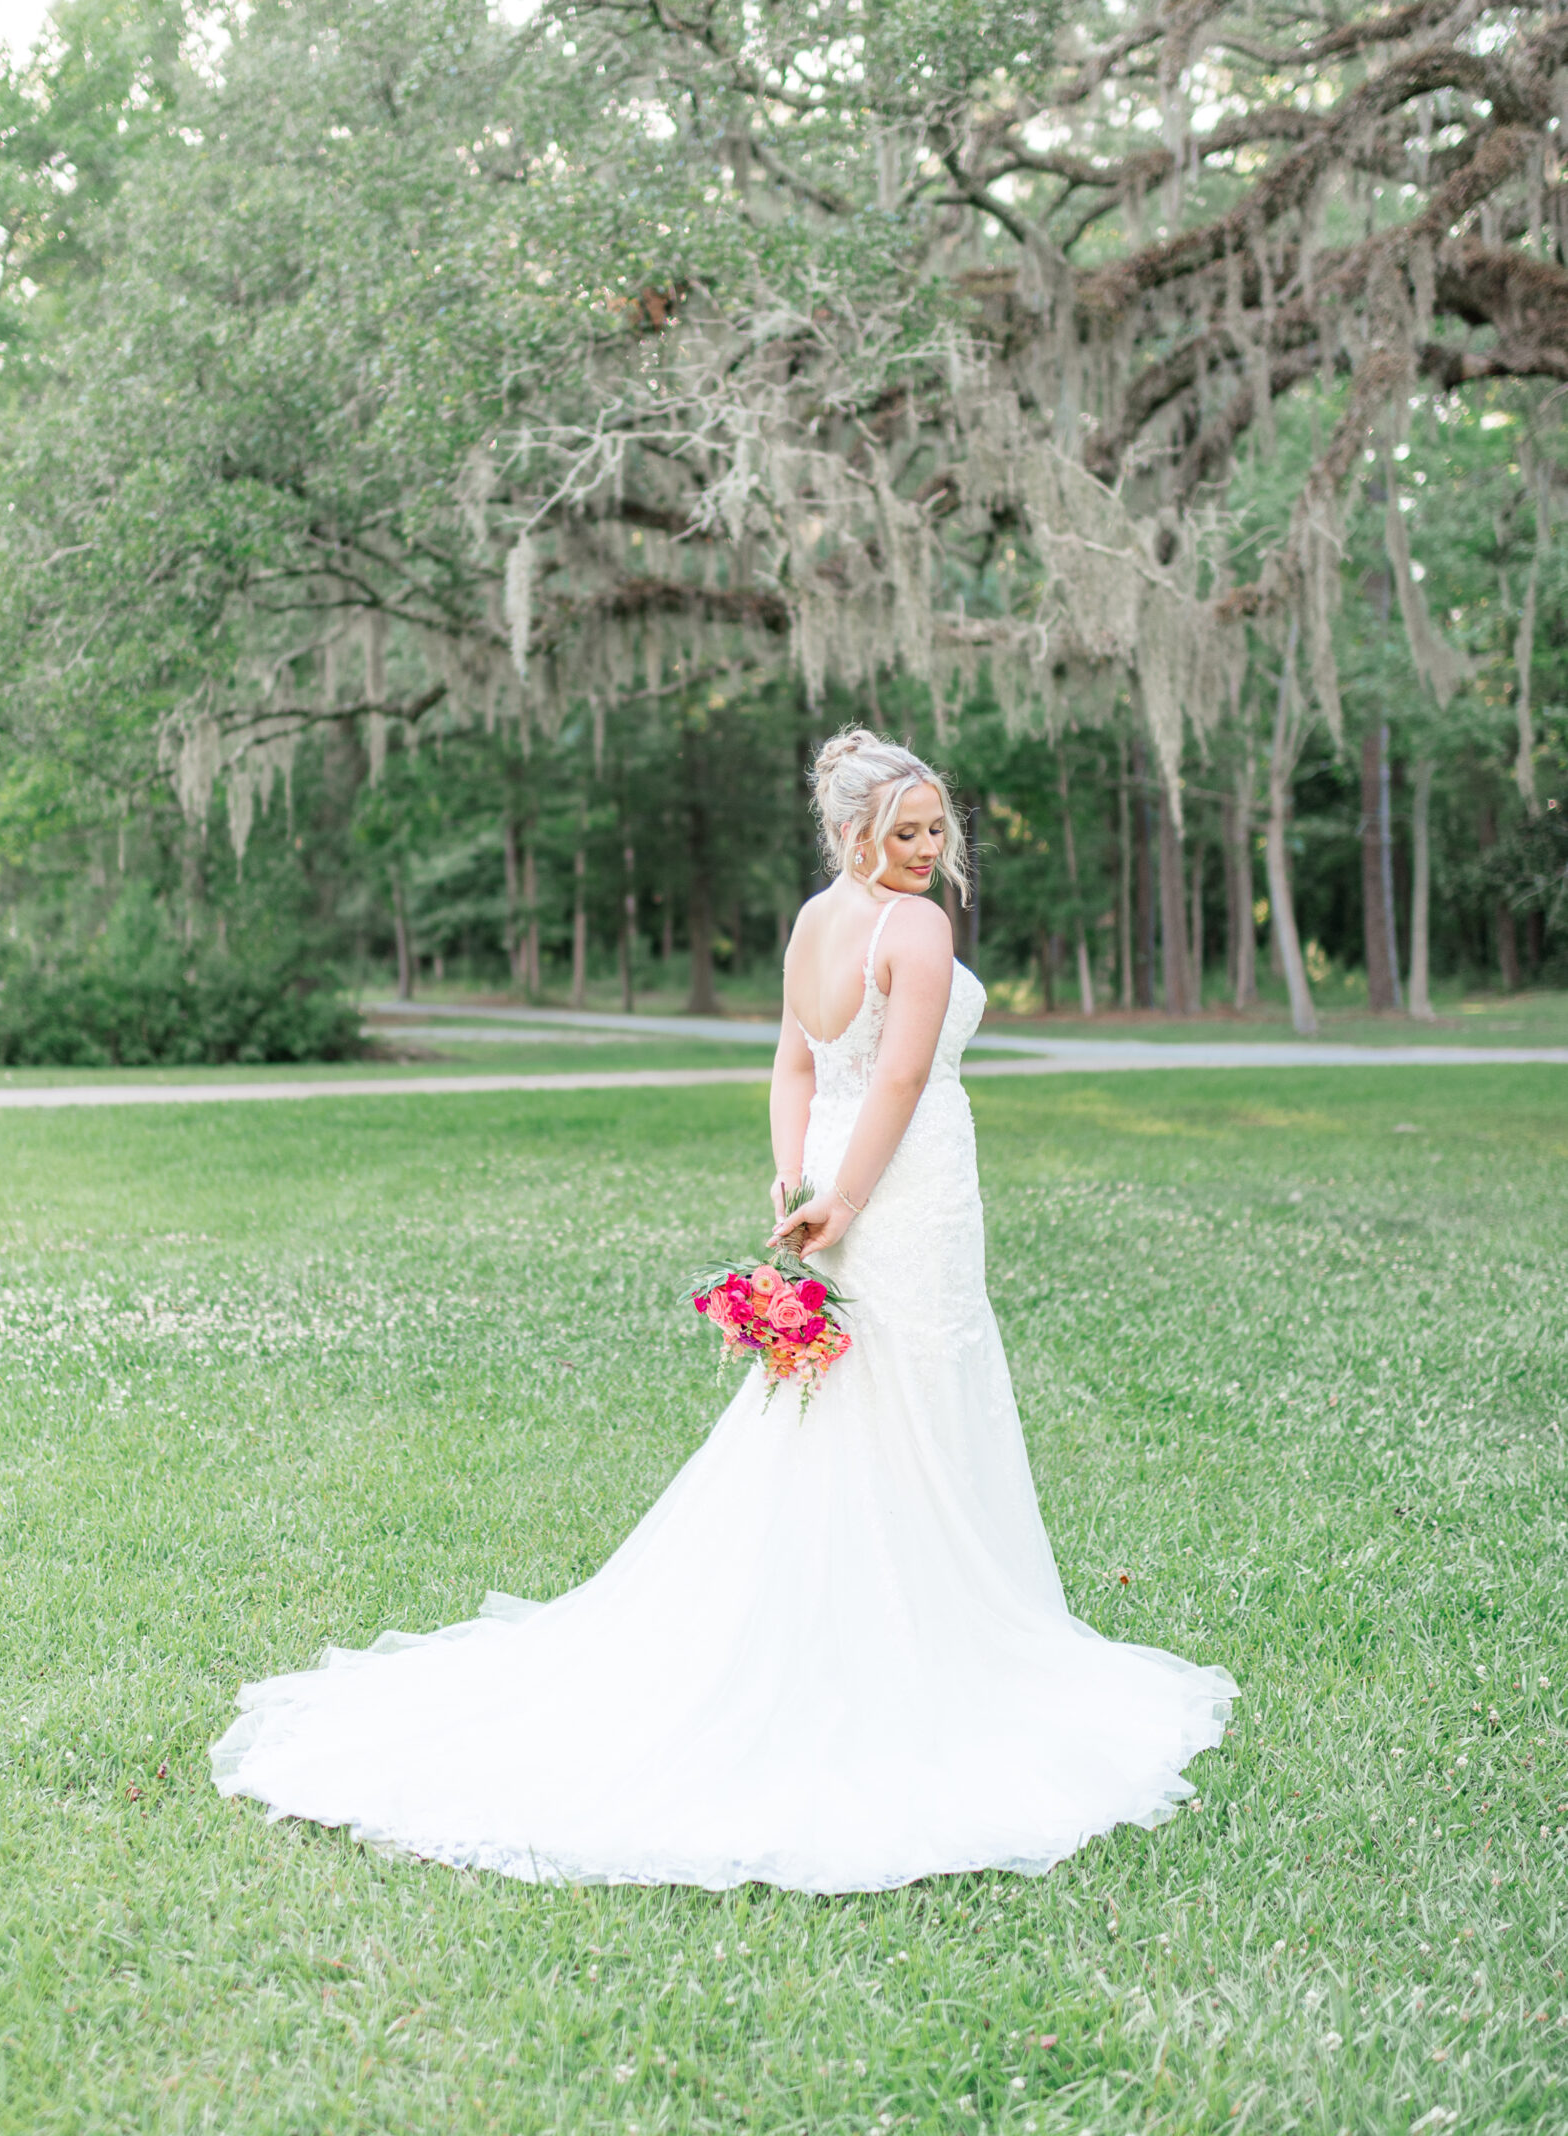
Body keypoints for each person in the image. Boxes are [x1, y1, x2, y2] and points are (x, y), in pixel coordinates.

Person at [211, 725, 1234, 1890]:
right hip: (898, 1187)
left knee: (849, 1385)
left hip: (850, 1179)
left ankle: (860, 1616)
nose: (924, 848)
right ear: (851, 831)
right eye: (901, 831)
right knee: (898, 1373)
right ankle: (922, 1646)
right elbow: (895, 1072)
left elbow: (797, 1071)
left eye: (936, 829)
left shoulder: (812, 923)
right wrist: (837, 1197)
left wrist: (791, 1176)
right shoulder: (915, 925)